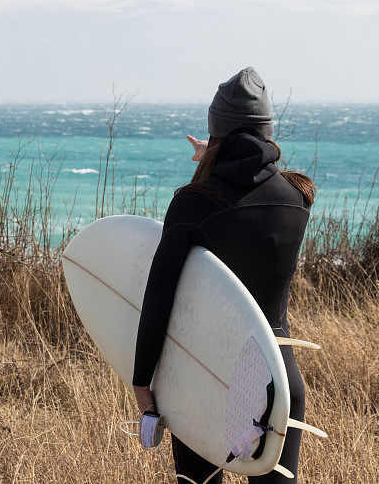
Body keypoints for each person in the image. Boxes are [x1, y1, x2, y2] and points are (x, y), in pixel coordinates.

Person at [132, 67, 316, 483]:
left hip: (209, 376)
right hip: (275, 378)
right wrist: (218, 156)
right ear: (267, 130)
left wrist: (142, 380)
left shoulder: (194, 202)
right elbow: (251, 183)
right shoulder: (297, 198)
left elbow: (158, 298)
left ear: (216, 132)